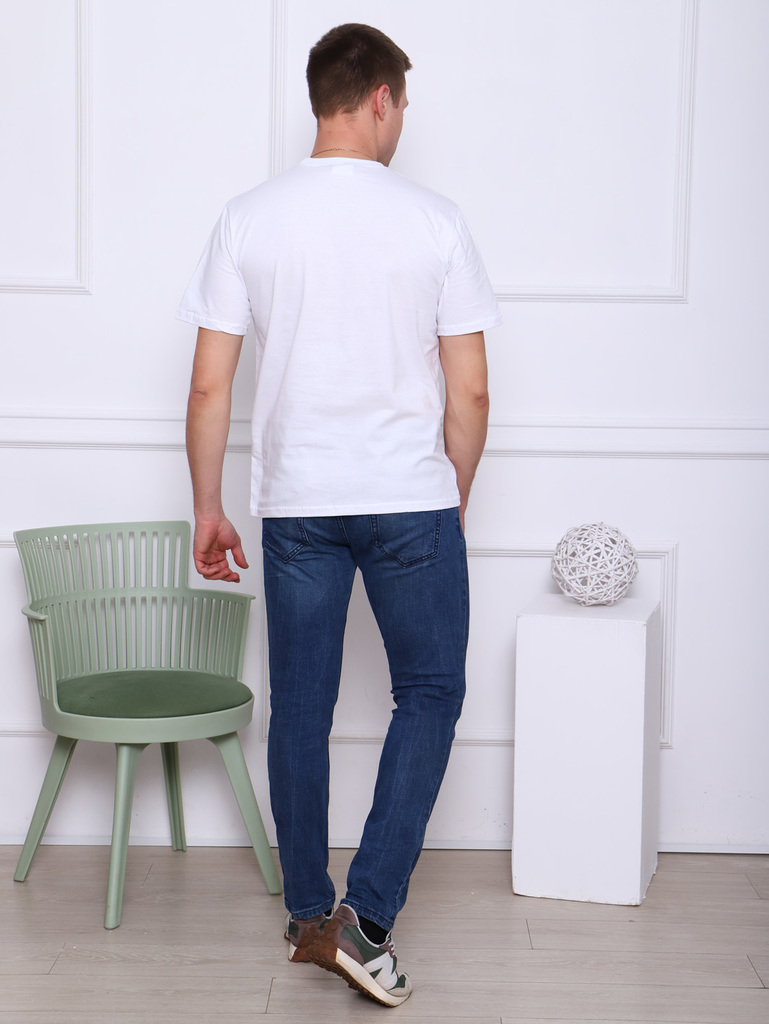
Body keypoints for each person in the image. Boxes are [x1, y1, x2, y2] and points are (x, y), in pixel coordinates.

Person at [178, 23, 501, 1008]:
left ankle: (310, 916)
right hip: (409, 498)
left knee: (300, 710)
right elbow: (471, 391)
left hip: (297, 503)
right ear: (380, 100)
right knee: (430, 692)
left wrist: (207, 507)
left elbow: (209, 385)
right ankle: (364, 920)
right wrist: (451, 496)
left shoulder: (247, 219)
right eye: (400, 106)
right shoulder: (435, 220)